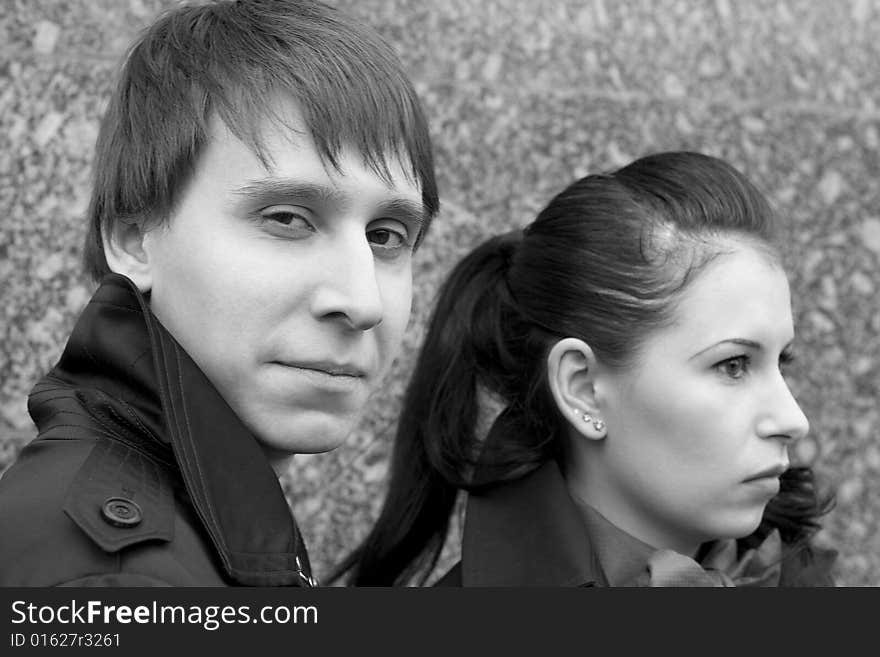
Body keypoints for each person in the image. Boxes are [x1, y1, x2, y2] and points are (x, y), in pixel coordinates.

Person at [0, 0, 438, 586]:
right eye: (287, 219)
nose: (363, 303)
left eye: (387, 236)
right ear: (135, 241)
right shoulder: (117, 584)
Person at [339, 151, 836, 587]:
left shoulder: (787, 574)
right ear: (583, 389)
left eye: (781, 363)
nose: (793, 419)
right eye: (733, 365)